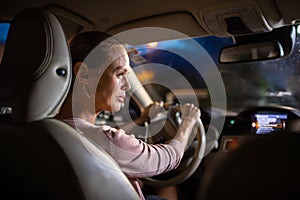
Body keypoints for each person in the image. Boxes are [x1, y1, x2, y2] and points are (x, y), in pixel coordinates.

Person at [56, 31, 201, 200]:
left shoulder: (48, 128)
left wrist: (141, 120)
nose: (126, 85)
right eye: (120, 74)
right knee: (171, 184)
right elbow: (168, 157)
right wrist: (186, 125)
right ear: (84, 74)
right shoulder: (107, 141)